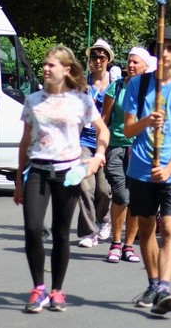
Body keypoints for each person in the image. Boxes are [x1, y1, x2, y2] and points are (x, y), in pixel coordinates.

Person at [14, 45, 109, 313]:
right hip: (38, 171)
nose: (45, 68)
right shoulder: (32, 100)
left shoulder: (81, 101)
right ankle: (38, 289)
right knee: (33, 229)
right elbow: (24, 142)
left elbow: (103, 131)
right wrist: (18, 180)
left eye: (51, 65)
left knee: (61, 234)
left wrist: (97, 155)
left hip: (69, 173)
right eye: (44, 64)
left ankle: (56, 290)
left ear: (66, 70)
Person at [122, 27, 171, 316]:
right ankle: (153, 283)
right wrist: (147, 121)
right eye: (161, 47)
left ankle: (165, 287)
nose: (165, 53)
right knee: (145, 228)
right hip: (142, 166)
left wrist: (169, 168)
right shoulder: (139, 85)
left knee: (169, 227)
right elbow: (128, 128)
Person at [100, 47, 151, 264]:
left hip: (140, 150)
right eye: (129, 62)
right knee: (121, 196)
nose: (130, 66)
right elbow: (104, 119)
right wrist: (99, 149)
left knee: (136, 200)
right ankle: (115, 242)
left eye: (135, 63)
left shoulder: (152, 91)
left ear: (145, 67)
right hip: (116, 146)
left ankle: (128, 246)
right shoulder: (117, 86)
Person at [76, 39, 114, 248]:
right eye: (94, 57)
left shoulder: (114, 83)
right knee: (84, 184)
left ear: (108, 60)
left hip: (105, 139)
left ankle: (105, 219)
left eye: (102, 56)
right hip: (83, 139)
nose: (98, 60)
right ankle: (89, 231)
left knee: (103, 188)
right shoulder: (82, 82)